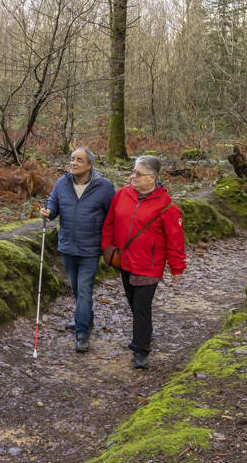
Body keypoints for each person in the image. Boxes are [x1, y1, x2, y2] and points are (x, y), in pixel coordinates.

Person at [100, 155, 185, 369]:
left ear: (152, 178)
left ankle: (141, 348)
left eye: (139, 174)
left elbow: (176, 240)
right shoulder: (122, 195)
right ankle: (143, 335)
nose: (133, 177)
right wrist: (107, 247)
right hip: (125, 261)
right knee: (132, 302)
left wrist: (177, 267)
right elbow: (109, 222)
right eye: (134, 172)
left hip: (149, 265)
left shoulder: (167, 207)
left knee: (141, 307)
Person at [39, 147, 115, 353]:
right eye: (72, 159)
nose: (73, 163)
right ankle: (86, 319)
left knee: (84, 290)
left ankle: (82, 333)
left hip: (90, 249)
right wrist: (47, 212)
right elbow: (53, 208)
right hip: (67, 247)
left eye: (79, 160)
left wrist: (109, 244)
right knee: (75, 288)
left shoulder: (105, 187)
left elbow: (113, 217)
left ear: (89, 165)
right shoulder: (62, 183)